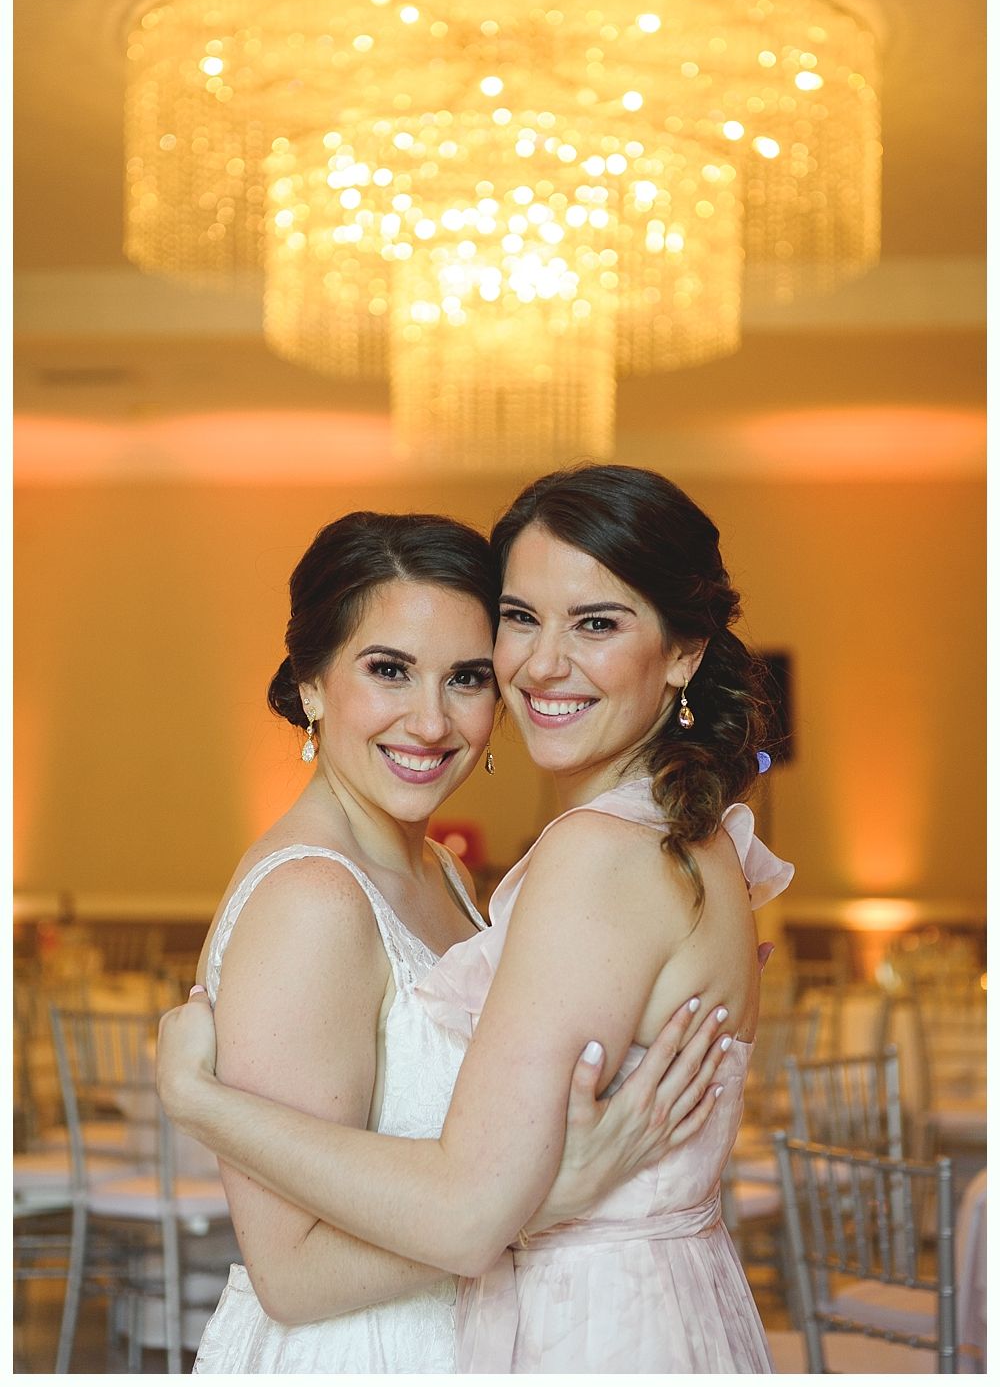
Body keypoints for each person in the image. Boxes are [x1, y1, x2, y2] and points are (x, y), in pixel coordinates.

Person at [159, 467, 792, 1372]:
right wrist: (548, 1196)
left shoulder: (461, 874)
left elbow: (485, 1180)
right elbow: (291, 1275)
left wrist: (202, 1102)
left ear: (684, 654)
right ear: (309, 684)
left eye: (464, 676)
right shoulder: (313, 899)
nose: (431, 720)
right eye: (388, 672)